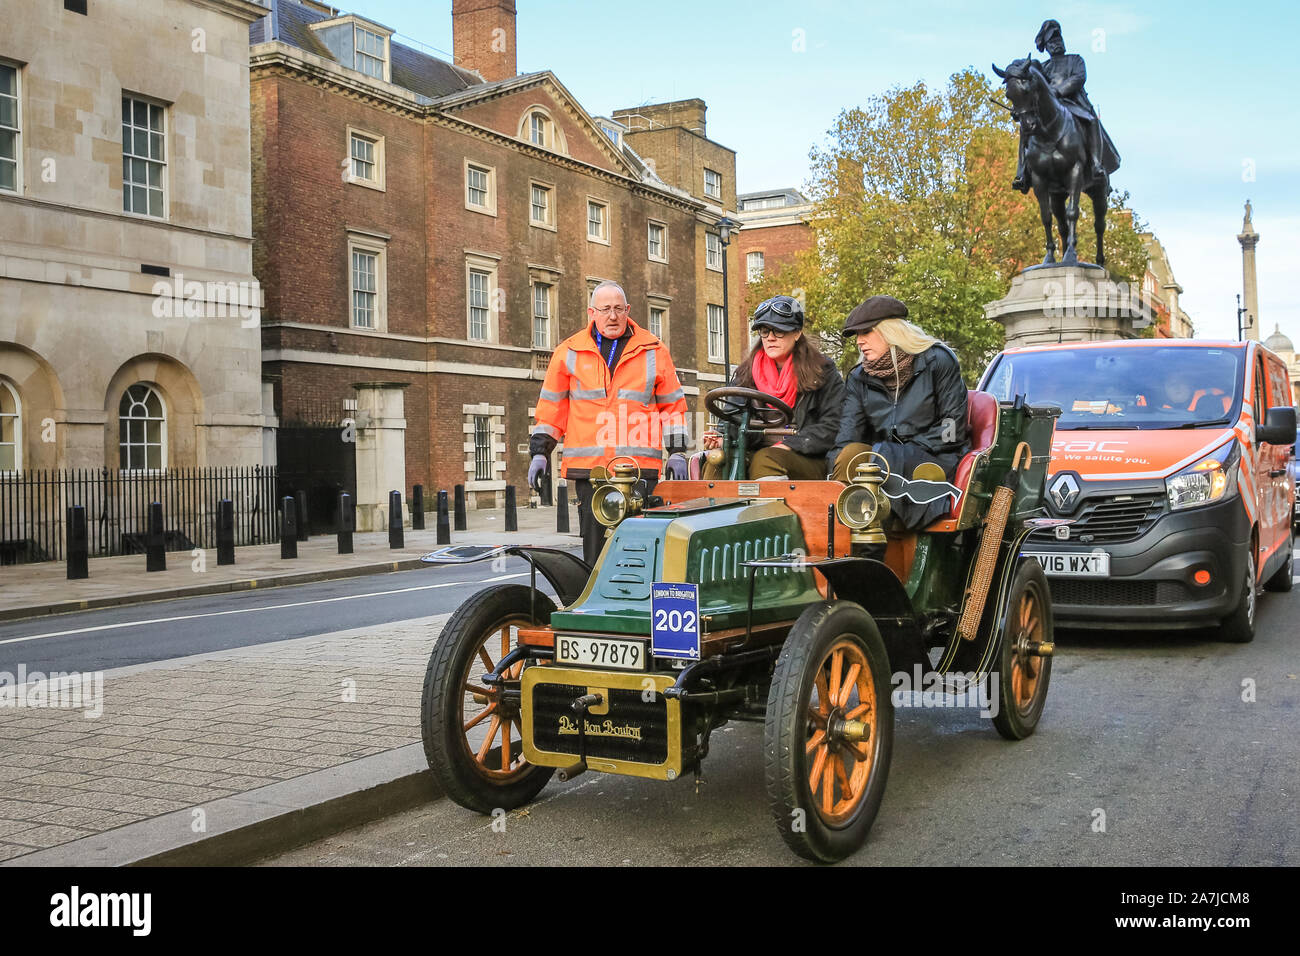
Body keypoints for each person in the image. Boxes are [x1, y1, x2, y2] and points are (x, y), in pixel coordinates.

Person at [528, 280, 689, 564]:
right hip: (591, 472)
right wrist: (540, 452)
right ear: (592, 312)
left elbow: (672, 405)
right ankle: (597, 603)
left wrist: (677, 451)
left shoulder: (654, 350)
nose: (612, 316)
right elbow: (552, 407)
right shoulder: (569, 351)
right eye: (605, 309)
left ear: (627, 310)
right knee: (596, 552)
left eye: (617, 309)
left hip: (638, 471)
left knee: (640, 547)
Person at [830, 295, 969, 530]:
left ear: (890, 331)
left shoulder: (938, 360)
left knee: (884, 456)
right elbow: (847, 436)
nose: (859, 342)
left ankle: (871, 546)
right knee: (850, 454)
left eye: (866, 333)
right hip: (881, 462)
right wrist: (832, 474)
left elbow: (951, 429)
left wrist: (900, 451)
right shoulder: (858, 378)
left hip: (935, 458)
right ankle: (841, 533)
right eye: (857, 336)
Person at [702, 295, 845, 480]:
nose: (770, 338)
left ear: (797, 333)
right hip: (758, 450)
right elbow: (733, 419)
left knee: (766, 459)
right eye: (764, 331)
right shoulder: (745, 372)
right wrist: (721, 437)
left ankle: (767, 510)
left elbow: (833, 425)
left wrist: (791, 444)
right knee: (717, 461)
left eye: (779, 331)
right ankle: (711, 508)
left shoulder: (822, 370)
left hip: (806, 457)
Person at [1012, 19, 1120, 193]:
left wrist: (1058, 92)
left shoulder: (1075, 60)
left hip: (1073, 104)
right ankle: (1022, 173)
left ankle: (1096, 164)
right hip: (1049, 111)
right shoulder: (1043, 67)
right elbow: (1031, 87)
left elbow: (1078, 78)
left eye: (1058, 39)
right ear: (1046, 46)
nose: (1056, 43)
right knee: (1026, 129)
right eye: (1052, 42)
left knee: (1091, 120)